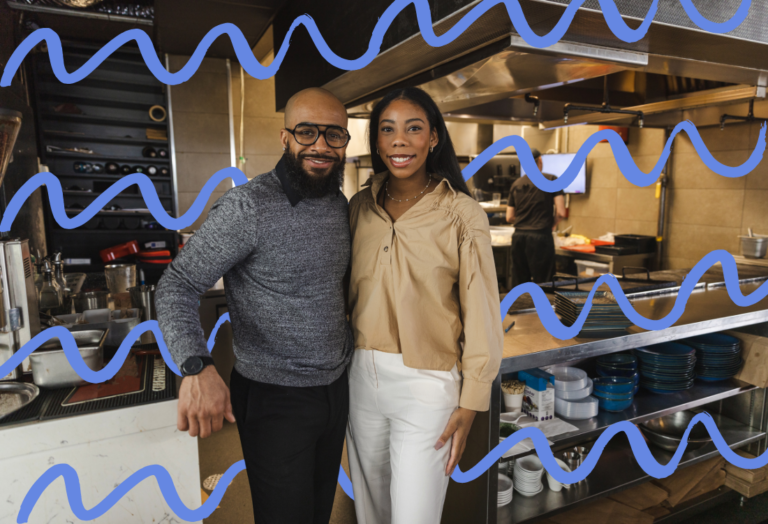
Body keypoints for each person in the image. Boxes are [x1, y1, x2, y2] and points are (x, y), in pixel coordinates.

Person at [155, 87, 354, 524]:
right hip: (275, 398)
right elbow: (176, 285)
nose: (321, 145)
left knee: (320, 511)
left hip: (336, 388)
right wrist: (196, 365)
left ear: (345, 142)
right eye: (307, 132)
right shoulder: (248, 206)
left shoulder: (340, 205)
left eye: (334, 135)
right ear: (286, 138)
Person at [346, 86, 503, 524]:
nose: (399, 141)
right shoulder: (359, 207)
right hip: (359, 377)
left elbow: (483, 312)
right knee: (371, 513)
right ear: (376, 142)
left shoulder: (461, 212)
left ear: (433, 138)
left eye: (413, 129)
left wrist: (471, 402)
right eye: (387, 130)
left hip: (426, 384)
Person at [505, 148, 567, 287]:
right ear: (540, 160)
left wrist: (525, 220)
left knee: (520, 284)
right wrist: (552, 224)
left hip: (519, 237)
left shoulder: (516, 184)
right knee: (544, 283)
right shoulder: (551, 180)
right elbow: (561, 212)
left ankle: (518, 308)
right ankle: (542, 309)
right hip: (540, 237)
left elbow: (509, 217)